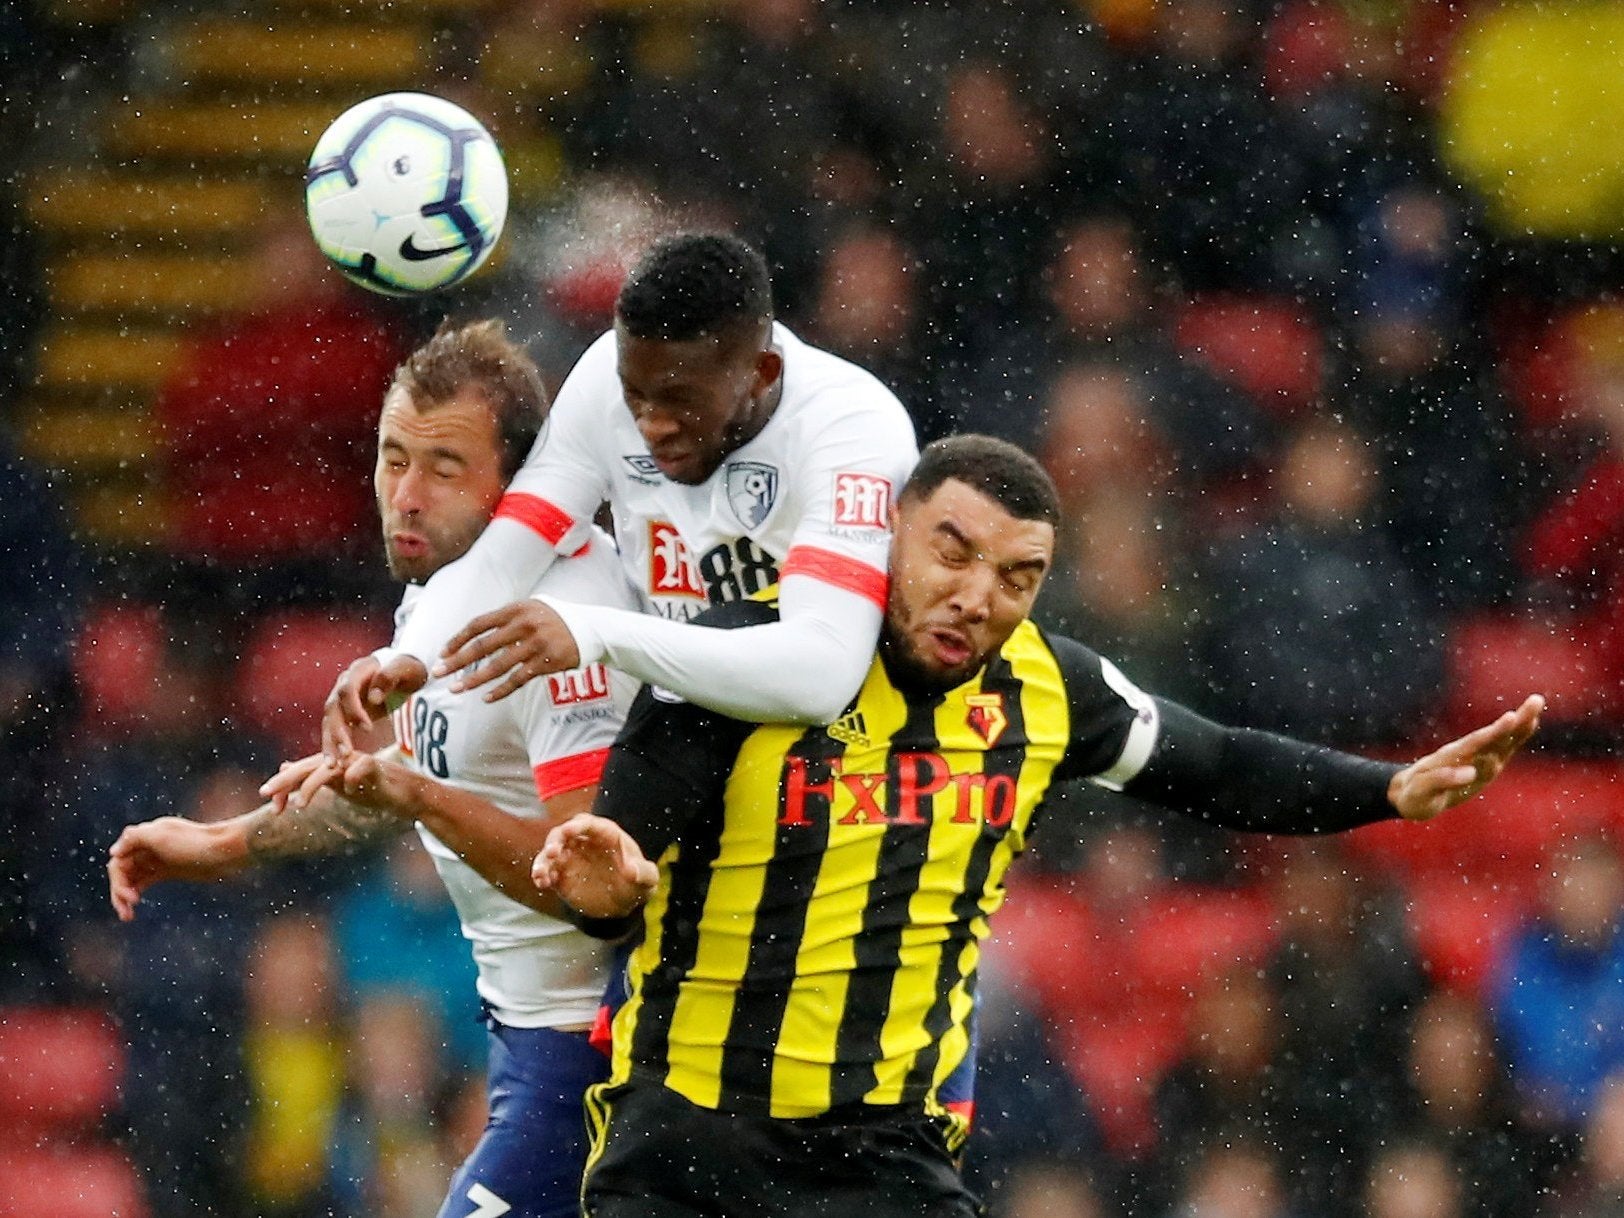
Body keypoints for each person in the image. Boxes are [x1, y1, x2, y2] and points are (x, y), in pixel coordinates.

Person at [532, 434, 1543, 1218]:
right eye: (952, 551)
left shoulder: (1050, 690)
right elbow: (610, 876)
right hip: (691, 1141)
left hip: (885, 1156)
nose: (977, 597)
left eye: (1015, 577)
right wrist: (604, 891)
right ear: (890, 534)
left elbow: (1220, 764)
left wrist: (1388, 789)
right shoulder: (749, 654)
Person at [107, 319, 643, 1218]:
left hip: (597, 1055)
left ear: (520, 486)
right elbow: (403, 775)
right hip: (524, 1038)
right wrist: (220, 844)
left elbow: (590, 890)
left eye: (443, 466)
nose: (407, 493)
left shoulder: (562, 625)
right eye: (393, 458)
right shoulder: (439, 594)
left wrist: (419, 795)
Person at [318, 231, 919, 768]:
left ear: (761, 373)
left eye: (679, 400)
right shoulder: (604, 378)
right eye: (637, 396)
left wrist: (598, 633)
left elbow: (820, 678)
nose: (652, 425)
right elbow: (511, 548)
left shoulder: (850, 430)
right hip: (685, 744)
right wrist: (413, 656)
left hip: (842, 763)